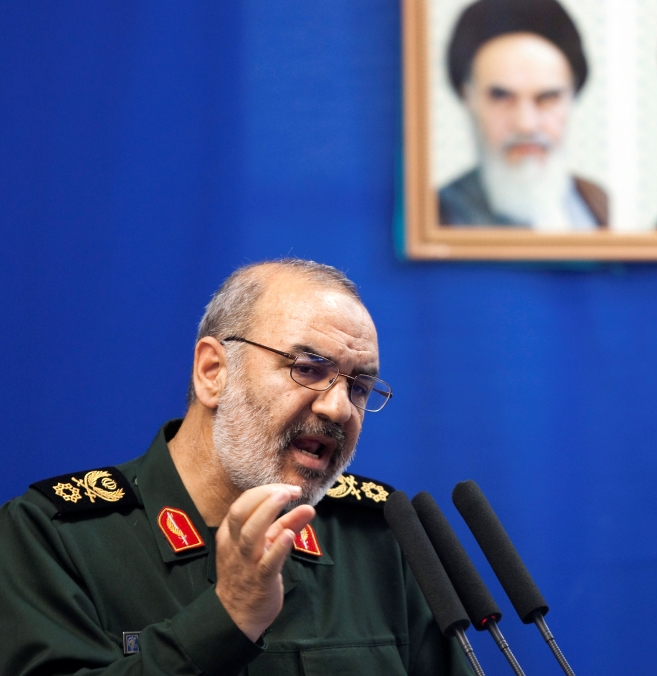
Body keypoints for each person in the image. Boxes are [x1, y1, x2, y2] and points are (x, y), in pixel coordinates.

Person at [0, 259, 472, 675]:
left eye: (359, 387)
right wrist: (229, 616)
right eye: (307, 368)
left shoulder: (383, 538)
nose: (338, 408)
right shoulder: (52, 536)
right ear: (212, 372)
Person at [438, 0, 608, 231]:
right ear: (467, 97)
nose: (526, 125)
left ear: (572, 97)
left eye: (547, 98)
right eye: (501, 97)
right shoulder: (434, 217)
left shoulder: (597, 204)